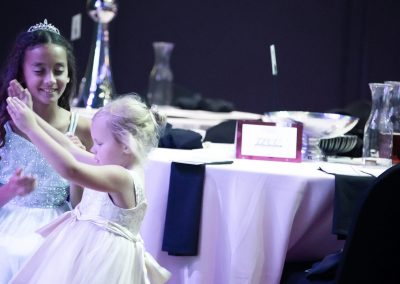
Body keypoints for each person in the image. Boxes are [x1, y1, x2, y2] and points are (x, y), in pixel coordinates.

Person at [7, 94, 171, 283]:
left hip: (102, 259)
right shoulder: (116, 164)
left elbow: (71, 169)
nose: (93, 149)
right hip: (86, 248)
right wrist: (31, 115)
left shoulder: (122, 177)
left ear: (126, 146)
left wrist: (31, 128)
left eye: (99, 143)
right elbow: (70, 148)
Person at [0, 19, 92, 282]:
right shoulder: (4, 125)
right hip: (8, 220)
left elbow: (82, 206)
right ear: (22, 73)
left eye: (58, 70)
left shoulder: (82, 127)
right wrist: (12, 189)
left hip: (60, 223)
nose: (51, 80)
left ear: (69, 74)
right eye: (40, 70)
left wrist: (78, 170)